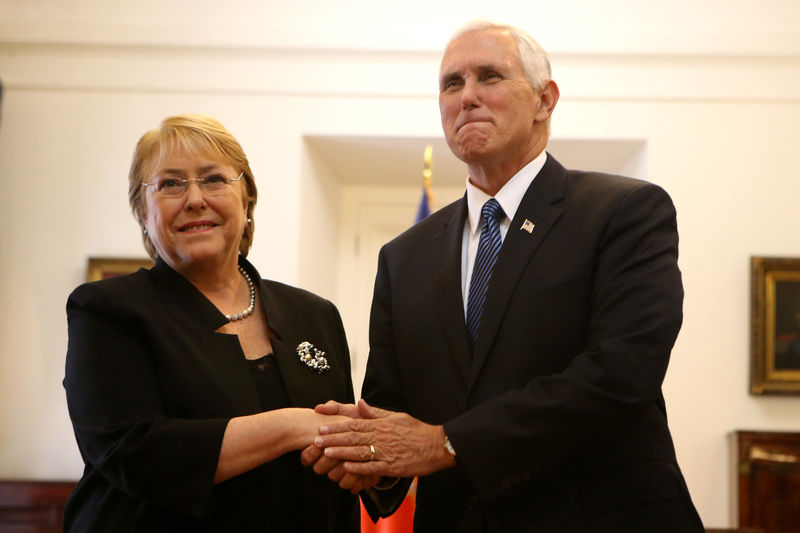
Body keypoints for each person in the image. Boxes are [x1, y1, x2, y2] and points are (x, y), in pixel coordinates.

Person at [306, 20, 705, 532]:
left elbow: (620, 375)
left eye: (489, 77)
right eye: (452, 84)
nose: (467, 96)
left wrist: (447, 442)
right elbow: (393, 411)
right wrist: (367, 457)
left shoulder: (624, 211)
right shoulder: (402, 256)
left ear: (545, 99)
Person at [63, 114, 359, 532]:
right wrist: (295, 425)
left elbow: (338, 453)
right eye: (170, 184)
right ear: (142, 211)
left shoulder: (315, 314)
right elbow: (132, 452)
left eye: (214, 179)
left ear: (246, 200)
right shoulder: (107, 309)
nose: (195, 199)